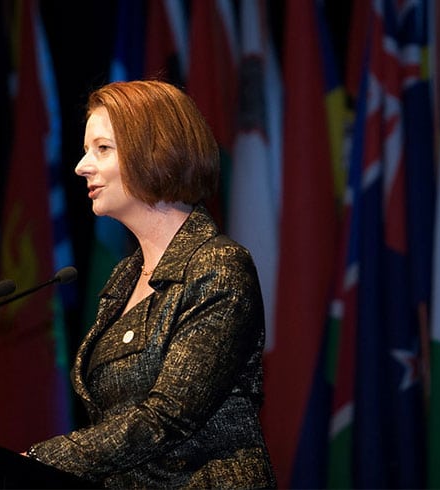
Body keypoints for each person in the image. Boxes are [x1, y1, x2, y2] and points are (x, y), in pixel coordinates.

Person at [24, 80, 276, 489]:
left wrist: (42, 459)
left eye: (102, 149)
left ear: (154, 151)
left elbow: (168, 415)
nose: (81, 166)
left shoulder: (217, 266)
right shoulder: (124, 277)